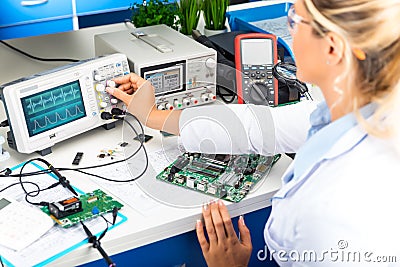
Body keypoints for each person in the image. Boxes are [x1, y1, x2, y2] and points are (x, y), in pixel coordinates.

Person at [106, 0, 400, 265]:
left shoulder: (334, 214)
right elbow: (253, 125)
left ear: (333, 48)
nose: (289, 30)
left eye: (295, 19)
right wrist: (152, 115)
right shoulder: (354, 108)